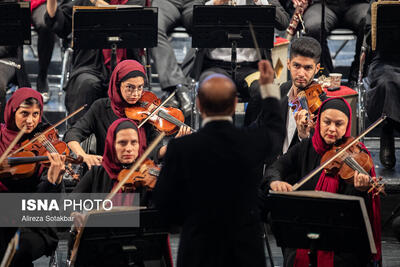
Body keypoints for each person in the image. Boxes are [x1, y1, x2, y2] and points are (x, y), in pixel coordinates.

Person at [154, 60, 285, 267]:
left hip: (198, 250)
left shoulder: (181, 148)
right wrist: (268, 89)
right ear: (235, 104)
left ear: (198, 104)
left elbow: (164, 207)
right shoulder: (251, 141)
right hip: (244, 251)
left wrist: (191, 219)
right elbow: (275, 130)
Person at [262, 97, 381, 266]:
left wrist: (360, 189)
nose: (332, 129)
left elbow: (358, 213)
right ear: (318, 122)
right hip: (305, 234)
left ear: (347, 125)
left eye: (339, 124)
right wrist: (275, 182)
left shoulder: (357, 154)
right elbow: (276, 168)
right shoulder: (305, 148)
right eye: (327, 122)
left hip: (342, 242)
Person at [63, 60, 191, 170]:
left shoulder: (150, 114)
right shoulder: (101, 107)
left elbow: (153, 153)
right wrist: (83, 156)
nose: (136, 94)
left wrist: (173, 145)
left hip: (139, 174)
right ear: (118, 86)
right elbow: (72, 133)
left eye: (140, 87)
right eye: (130, 87)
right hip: (107, 171)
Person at [45, 0, 145, 125]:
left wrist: (100, 4)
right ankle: (80, 139)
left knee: (128, 86)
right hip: (89, 64)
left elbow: (135, 21)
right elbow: (61, 24)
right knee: (86, 84)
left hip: (125, 64)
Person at [190, 0, 290, 126]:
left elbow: (283, 22)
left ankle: (249, 137)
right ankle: (222, 139)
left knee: (262, 90)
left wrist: (261, 1)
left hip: (251, 68)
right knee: (217, 90)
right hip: (215, 66)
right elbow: (189, 19)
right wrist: (215, 4)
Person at [0, 88, 66, 267]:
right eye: (24, 113)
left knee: (15, 248)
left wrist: (52, 181)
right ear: (12, 111)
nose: (30, 121)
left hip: (34, 222)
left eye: (36, 114)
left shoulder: (46, 147)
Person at [150, 0, 204, 116]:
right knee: (152, 26)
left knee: (207, 27)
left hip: (196, 2)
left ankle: (178, 88)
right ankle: (180, 89)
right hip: (166, 2)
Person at [363, 0, 400, 169]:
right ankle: (387, 129)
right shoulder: (381, 5)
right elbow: (369, 38)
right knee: (386, 83)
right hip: (386, 58)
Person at [301, 0, 369, 82]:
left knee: (369, 21)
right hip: (322, 5)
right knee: (314, 27)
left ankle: (357, 77)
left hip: (357, 4)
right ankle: (325, 78)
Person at [279, 37, 323, 156]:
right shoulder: (282, 90)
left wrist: (304, 136)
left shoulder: (322, 104)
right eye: (296, 66)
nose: (301, 74)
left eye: (308, 68)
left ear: (317, 68)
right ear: (288, 64)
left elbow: (319, 152)